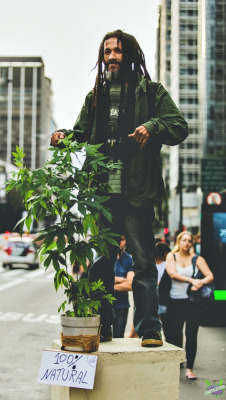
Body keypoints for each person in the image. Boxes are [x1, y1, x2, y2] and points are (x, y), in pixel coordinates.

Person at [50, 29, 188, 347]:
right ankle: (104, 327)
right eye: (107, 51)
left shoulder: (150, 92)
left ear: (131, 56)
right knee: (102, 261)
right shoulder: (96, 97)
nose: (112, 56)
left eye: (119, 51)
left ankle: (149, 328)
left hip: (137, 189)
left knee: (142, 260)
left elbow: (179, 126)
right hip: (104, 190)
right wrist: (62, 137)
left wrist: (151, 127)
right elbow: (81, 134)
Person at [165, 231, 214, 379]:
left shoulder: (197, 259)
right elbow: (172, 274)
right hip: (175, 301)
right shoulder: (171, 256)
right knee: (174, 334)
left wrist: (201, 282)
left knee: (191, 335)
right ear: (179, 242)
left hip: (192, 302)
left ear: (192, 244)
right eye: (184, 240)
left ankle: (190, 369)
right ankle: (176, 363)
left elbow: (210, 276)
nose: (187, 243)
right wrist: (191, 280)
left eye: (189, 241)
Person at [113, 235, 134, 338]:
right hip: (105, 305)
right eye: (118, 239)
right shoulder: (103, 257)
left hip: (122, 305)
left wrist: (110, 284)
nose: (119, 242)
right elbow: (98, 281)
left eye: (122, 239)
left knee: (118, 337)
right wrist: (121, 279)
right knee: (102, 337)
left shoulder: (128, 259)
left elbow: (130, 285)